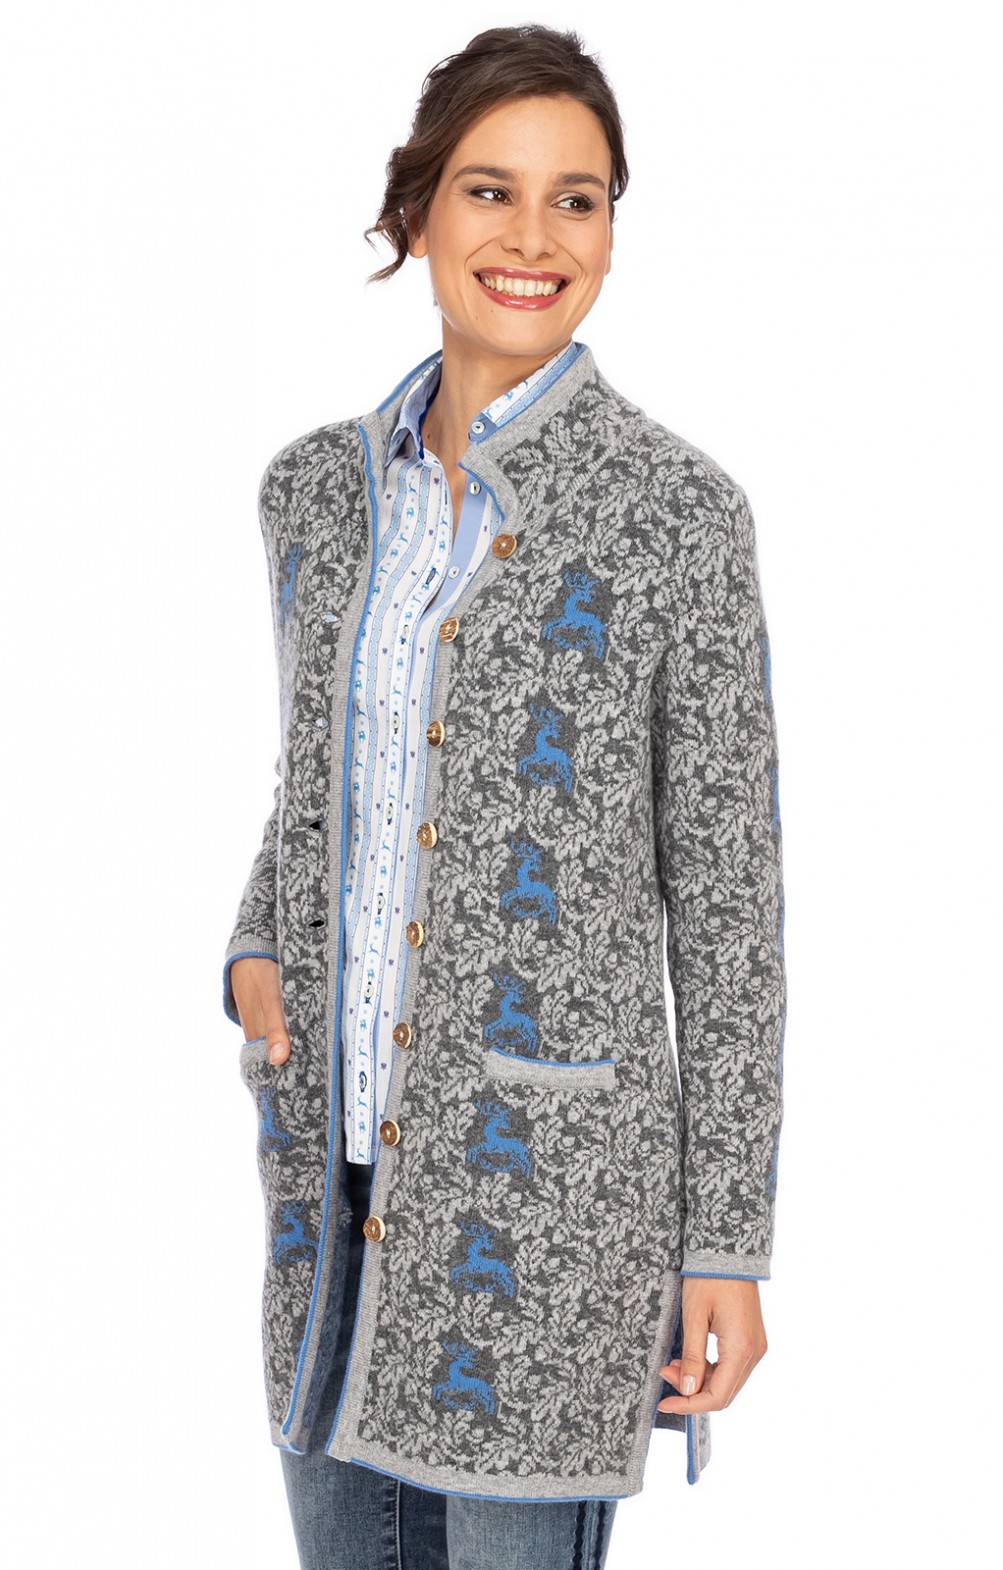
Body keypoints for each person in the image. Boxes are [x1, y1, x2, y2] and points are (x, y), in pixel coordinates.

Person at [225, 23, 787, 1570]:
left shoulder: (680, 517)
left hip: (547, 1216)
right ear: (417, 211)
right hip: (329, 1190)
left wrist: (727, 1242)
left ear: (610, 228)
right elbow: (319, 777)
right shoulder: (313, 494)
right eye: (490, 190)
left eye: (576, 200)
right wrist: (257, 952)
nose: (533, 237)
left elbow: (730, 908)